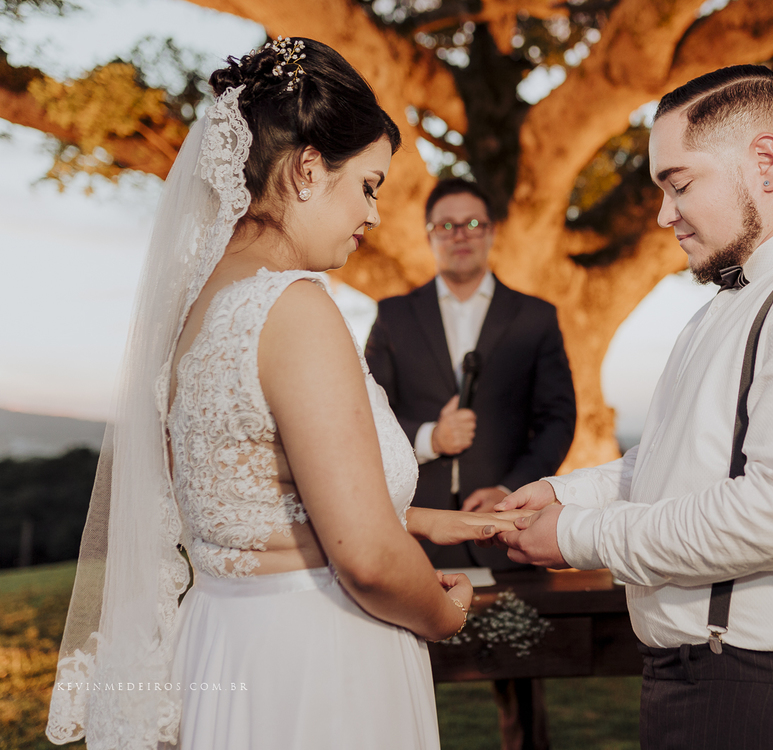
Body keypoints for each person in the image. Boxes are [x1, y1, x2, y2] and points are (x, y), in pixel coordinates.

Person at [46, 39, 526, 750]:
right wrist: (445, 613)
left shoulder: (197, 309)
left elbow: (250, 498)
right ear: (307, 170)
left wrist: (418, 520)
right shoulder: (294, 308)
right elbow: (364, 557)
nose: (371, 214)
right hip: (315, 664)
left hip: (224, 641)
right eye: (367, 184)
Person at [495, 65, 773, 749]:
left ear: (764, 162)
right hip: (712, 690)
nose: (665, 213)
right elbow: (674, 462)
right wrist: (557, 493)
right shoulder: (729, 307)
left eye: (680, 183)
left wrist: (580, 536)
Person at [365, 178, 576, 750]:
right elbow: (361, 416)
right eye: (447, 225)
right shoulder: (394, 316)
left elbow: (558, 418)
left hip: (503, 532)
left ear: (492, 233)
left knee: (522, 690)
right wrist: (432, 436)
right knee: (400, 681)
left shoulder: (534, 317)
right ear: (430, 235)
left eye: (473, 224)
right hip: (412, 532)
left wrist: (512, 486)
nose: (461, 236)